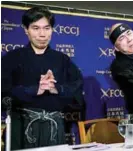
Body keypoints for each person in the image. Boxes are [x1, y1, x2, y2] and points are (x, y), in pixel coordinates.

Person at [1, 7, 84, 150]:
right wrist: (34, 90)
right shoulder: (11, 58)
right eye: (35, 28)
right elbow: (3, 95)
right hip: (21, 128)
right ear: (26, 30)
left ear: (52, 29)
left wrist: (56, 88)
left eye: (47, 28)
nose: (42, 34)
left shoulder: (62, 60)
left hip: (54, 129)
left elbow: (77, 87)